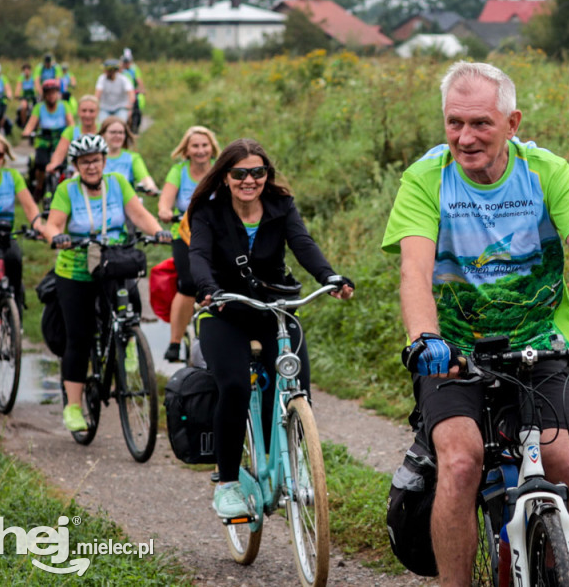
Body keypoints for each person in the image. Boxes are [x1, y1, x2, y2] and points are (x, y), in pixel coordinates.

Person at [381, 61, 569, 585]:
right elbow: (414, 269)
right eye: (454, 122)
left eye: (480, 123)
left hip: (540, 344)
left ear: (512, 123)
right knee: (460, 463)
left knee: (567, 467)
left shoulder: (546, 172)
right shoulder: (425, 178)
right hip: (451, 350)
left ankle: (548, 564)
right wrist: (424, 337)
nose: (465, 136)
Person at [188, 138, 354, 518]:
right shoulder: (208, 212)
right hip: (225, 310)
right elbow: (198, 256)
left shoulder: (281, 206)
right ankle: (227, 482)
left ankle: (295, 465)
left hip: (273, 309)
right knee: (232, 386)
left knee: (298, 388)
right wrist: (210, 290)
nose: (250, 180)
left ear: (267, 174)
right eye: (240, 173)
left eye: (257, 172)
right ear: (226, 177)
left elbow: (303, 244)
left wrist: (329, 277)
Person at [44, 135, 171, 433]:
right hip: (75, 269)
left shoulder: (117, 182)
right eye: (85, 161)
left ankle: (125, 342)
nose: (91, 166)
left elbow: (138, 214)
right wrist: (56, 237)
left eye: (96, 160)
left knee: (128, 308)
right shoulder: (67, 189)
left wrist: (158, 232)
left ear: (104, 160)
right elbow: (54, 223)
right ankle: (74, 407)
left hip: (111, 261)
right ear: (76, 164)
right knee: (80, 337)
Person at [158, 126, 219, 362]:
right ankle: (175, 341)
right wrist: (164, 211)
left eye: (205, 145)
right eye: (195, 146)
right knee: (188, 283)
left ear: (212, 147)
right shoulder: (179, 171)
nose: (201, 150)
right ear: (187, 149)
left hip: (216, 235)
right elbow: (165, 201)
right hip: (184, 234)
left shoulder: (219, 170)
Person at [0, 131, 44, 305]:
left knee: (15, 260)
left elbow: (30, 205)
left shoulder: (12, 177)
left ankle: (15, 304)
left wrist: (37, 224)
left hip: (5, 238)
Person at [22, 79, 74, 199]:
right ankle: (39, 187)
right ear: (44, 95)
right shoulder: (39, 107)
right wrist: (27, 132)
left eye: (54, 92)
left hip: (60, 141)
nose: (51, 96)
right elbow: (31, 123)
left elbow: (71, 123)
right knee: (40, 164)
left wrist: (72, 133)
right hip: (43, 140)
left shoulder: (64, 106)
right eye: (48, 93)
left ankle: (63, 188)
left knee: (63, 166)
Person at [99, 117, 158, 194]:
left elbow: (145, 178)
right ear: (103, 134)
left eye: (121, 133)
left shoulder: (132, 157)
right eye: (113, 132)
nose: (117, 136)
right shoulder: (95, 157)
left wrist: (150, 187)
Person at [46, 95, 100, 173]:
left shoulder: (104, 129)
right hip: (75, 173)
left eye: (91, 111)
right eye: (84, 111)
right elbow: (59, 153)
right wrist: (54, 164)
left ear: (97, 112)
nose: (87, 115)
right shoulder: (70, 131)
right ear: (78, 112)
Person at [95, 59, 134, 125]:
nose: (105, 72)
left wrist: (130, 105)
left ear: (114, 71)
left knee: (121, 123)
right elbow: (97, 94)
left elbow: (131, 94)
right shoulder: (102, 78)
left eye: (107, 70)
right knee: (103, 124)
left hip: (120, 107)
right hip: (105, 108)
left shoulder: (123, 79)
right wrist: (94, 104)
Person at [120, 50, 145, 133]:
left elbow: (139, 80)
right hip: (122, 94)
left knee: (136, 110)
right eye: (125, 62)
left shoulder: (134, 69)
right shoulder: (120, 69)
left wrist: (142, 89)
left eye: (128, 62)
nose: (126, 64)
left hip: (132, 92)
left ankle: (135, 127)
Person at [15, 63, 37, 128]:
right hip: (24, 97)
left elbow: (37, 86)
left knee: (36, 108)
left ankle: (36, 124)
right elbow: (18, 87)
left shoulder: (33, 77)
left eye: (28, 70)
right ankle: (24, 124)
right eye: (25, 70)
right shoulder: (21, 78)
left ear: (30, 71)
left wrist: (39, 93)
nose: (26, 72)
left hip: (33, 97)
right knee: (23, 107)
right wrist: (17, 94)